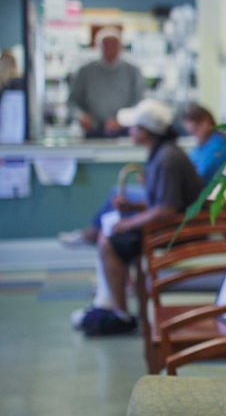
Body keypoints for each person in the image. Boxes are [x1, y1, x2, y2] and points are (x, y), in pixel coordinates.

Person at [72, 98, 203, 335]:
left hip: (179, 231)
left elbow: (167, 210)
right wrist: (133, 206)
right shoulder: (160, 154)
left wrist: (128, 223)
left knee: (109, 242)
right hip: (170, 224)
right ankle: (117, 308)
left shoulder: (167, 159)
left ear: (146, 132)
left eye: (133, 127)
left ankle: (121, 315)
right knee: (109, 232)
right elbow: (164, 202)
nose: (129, 131)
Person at [68, 27, 144, 137]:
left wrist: (122, 120)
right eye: (106, 45)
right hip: (91, 131)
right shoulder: (85, 71)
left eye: (114, 45)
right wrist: (81, 116)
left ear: (120, 47)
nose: (110, 50)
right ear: (98, 46)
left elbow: (139, 103)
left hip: (124, 133)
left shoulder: (132, 71)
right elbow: (72, 103)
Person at [181, 104, 226, 183]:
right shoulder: (201, 145)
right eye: (191, 133)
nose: (195, 136)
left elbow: (203, 174)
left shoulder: (219, 144)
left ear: (205, 123)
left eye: (195, 131)